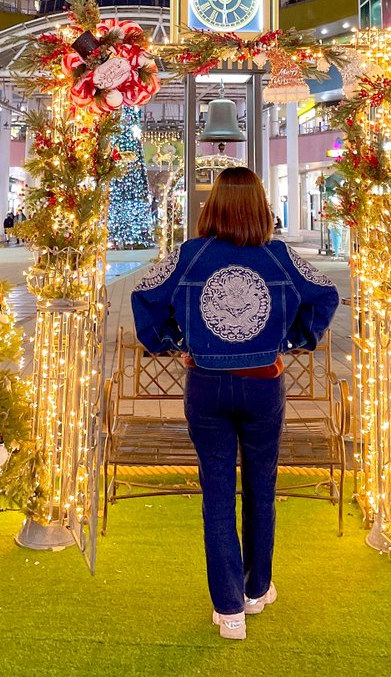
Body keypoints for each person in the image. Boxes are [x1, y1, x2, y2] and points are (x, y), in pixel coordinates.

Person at [131, 167, 338, 641]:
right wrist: (291, 341)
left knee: (217, 494)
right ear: (261, 206)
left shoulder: (187, 255)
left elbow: (145, 298)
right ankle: (257, 589)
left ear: (215, 205)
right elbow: (325, 296)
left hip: (205, 385)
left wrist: (173, 341)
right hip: (264, 385)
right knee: (262, 487)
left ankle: (229, 611)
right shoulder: (281, 256)